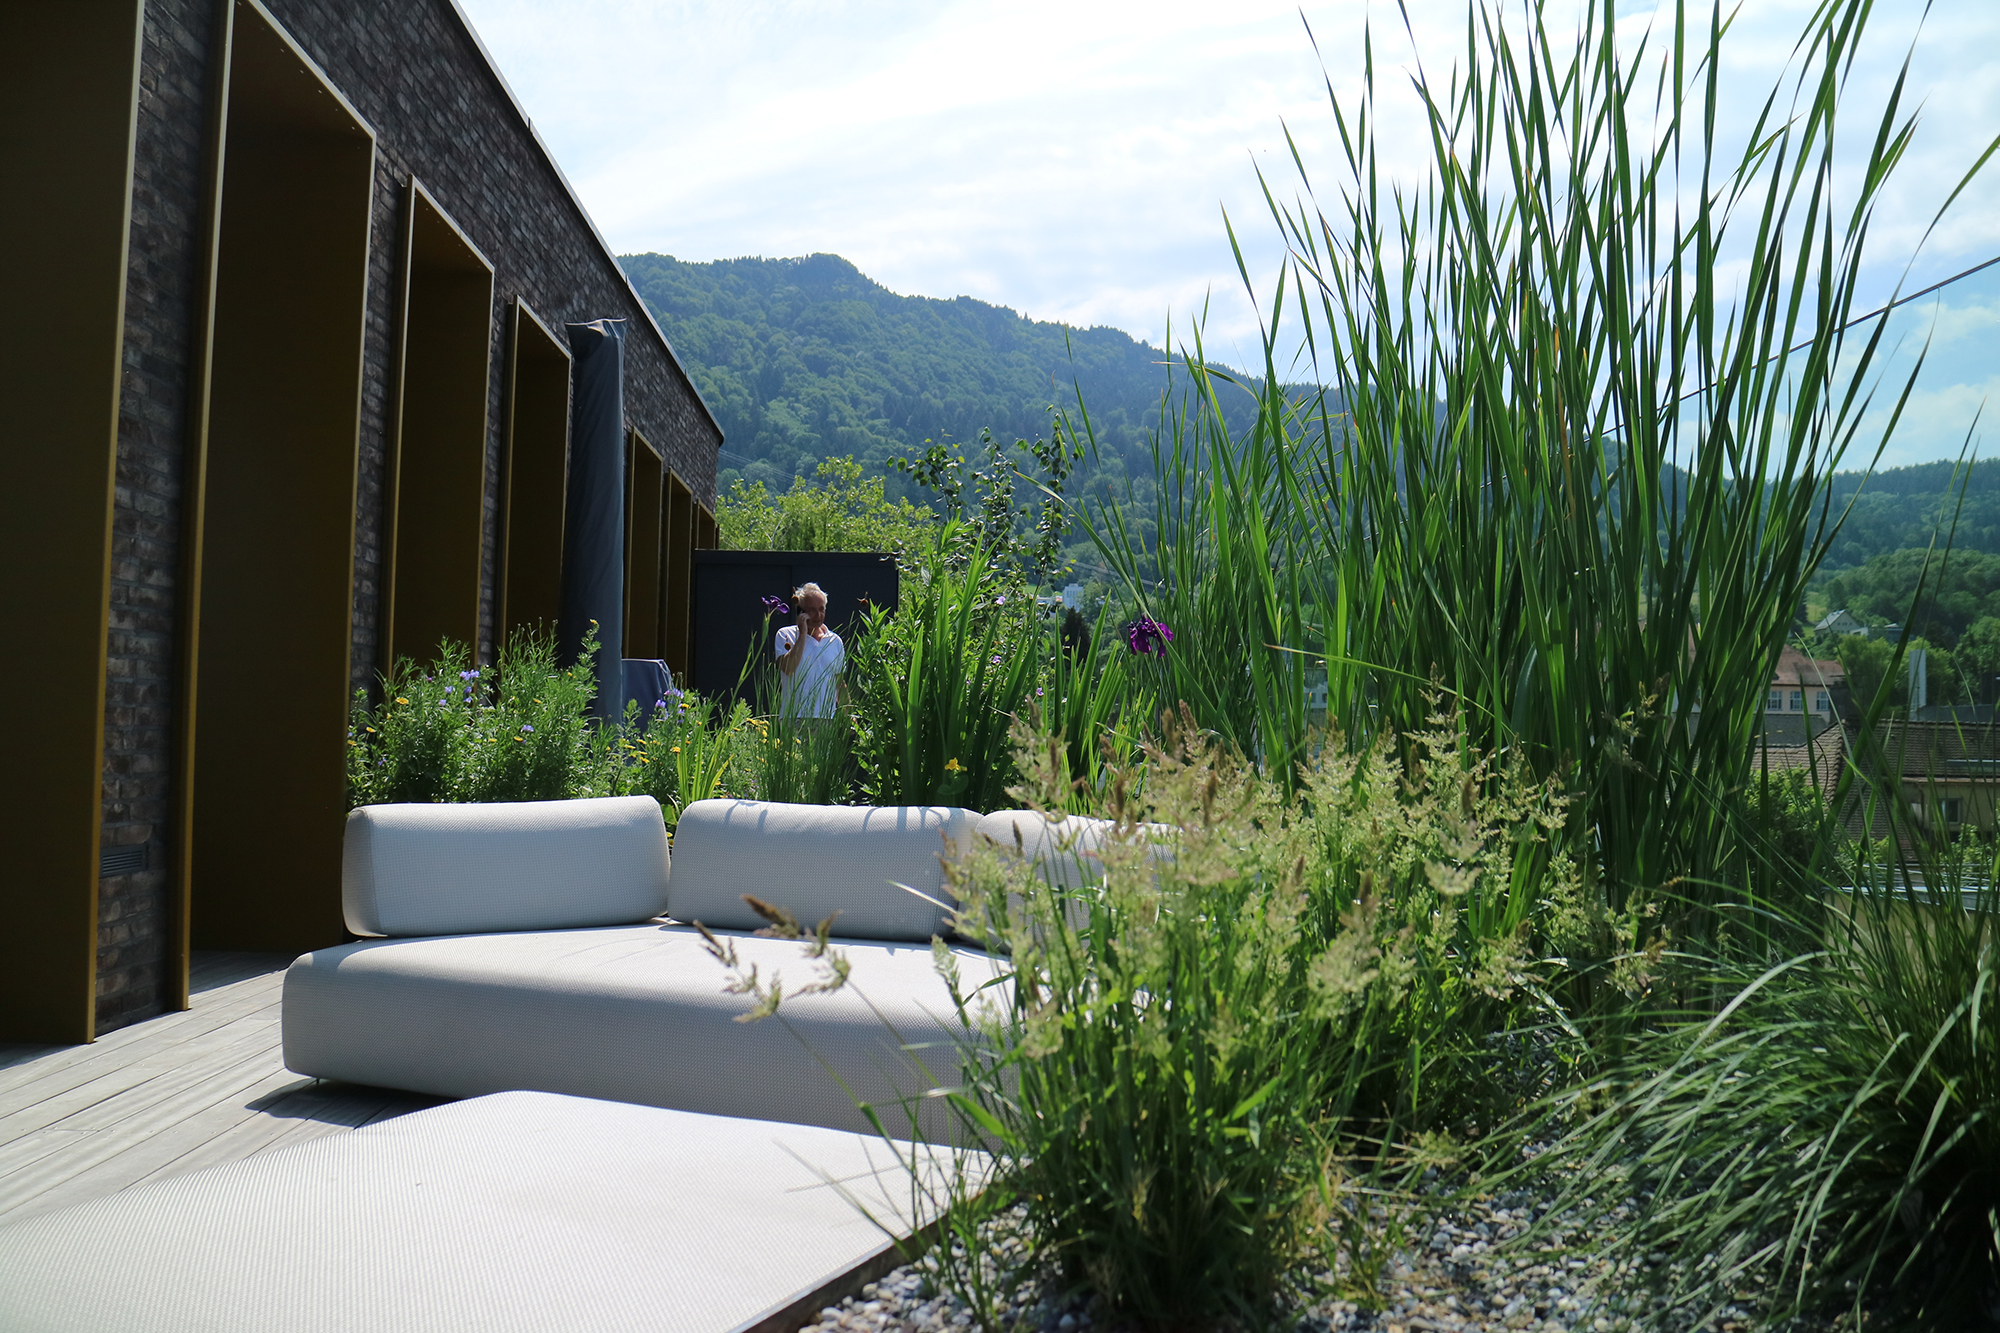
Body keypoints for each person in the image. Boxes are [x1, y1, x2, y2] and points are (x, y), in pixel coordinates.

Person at [774, 582, 844, 719]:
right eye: (812, 610)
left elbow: (839, 682)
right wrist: (802, 635)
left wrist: (849, 715)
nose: (818, 615)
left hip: (826, 718)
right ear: (801, 612)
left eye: (821, 609)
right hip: (794, 717)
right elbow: (788, 668)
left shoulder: (835, 641)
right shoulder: (785, 635)